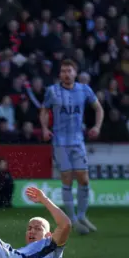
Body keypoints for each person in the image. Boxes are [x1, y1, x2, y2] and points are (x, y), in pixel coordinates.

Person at [40, 59, 105, 235]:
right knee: (67, 178)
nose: (66, 74)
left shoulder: (84, 90)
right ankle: (72, 219)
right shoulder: (52, 91)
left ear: (75, 73)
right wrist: (45, 128)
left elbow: (99, 108)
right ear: (60, 74)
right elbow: (44, 110)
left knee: (84, 179)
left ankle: (82, 215)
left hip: (78, 141)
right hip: (60, 142)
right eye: (63, 71)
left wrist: (97, 127)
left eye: (69, 71)